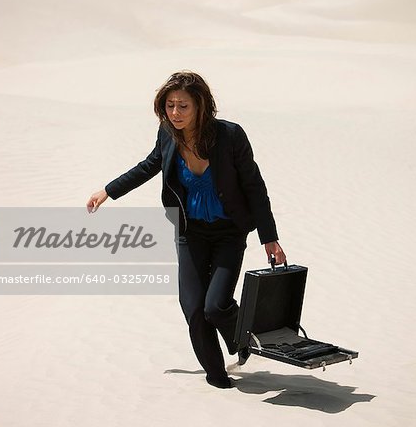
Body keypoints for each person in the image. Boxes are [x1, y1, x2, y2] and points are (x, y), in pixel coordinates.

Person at [86, 71, 286, 389]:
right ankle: (217, 377)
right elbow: (149, 165)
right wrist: (108, 191)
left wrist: (269, 237)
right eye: (170, 106)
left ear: (201, 106)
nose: (175, 113)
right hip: (190, 232)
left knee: (215, 305)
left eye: (183, 106)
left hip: (228, 232)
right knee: (193, 308)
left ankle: (246, 338)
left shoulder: (230, 136)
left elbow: (253, 186)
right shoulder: (168, 133)